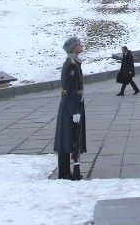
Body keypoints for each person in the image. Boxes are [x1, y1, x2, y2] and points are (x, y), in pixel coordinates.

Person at [54, 36, 87, 180]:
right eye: (79, 44)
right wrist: (75, 112)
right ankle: (65, 173)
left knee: (68, 138)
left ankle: (66, 172)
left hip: (70, 105)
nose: (81, 46)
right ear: (73, 48)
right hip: (70, 107)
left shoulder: (74, 63)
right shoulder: (72, 65)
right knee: (68, 139)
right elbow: (71, 90)